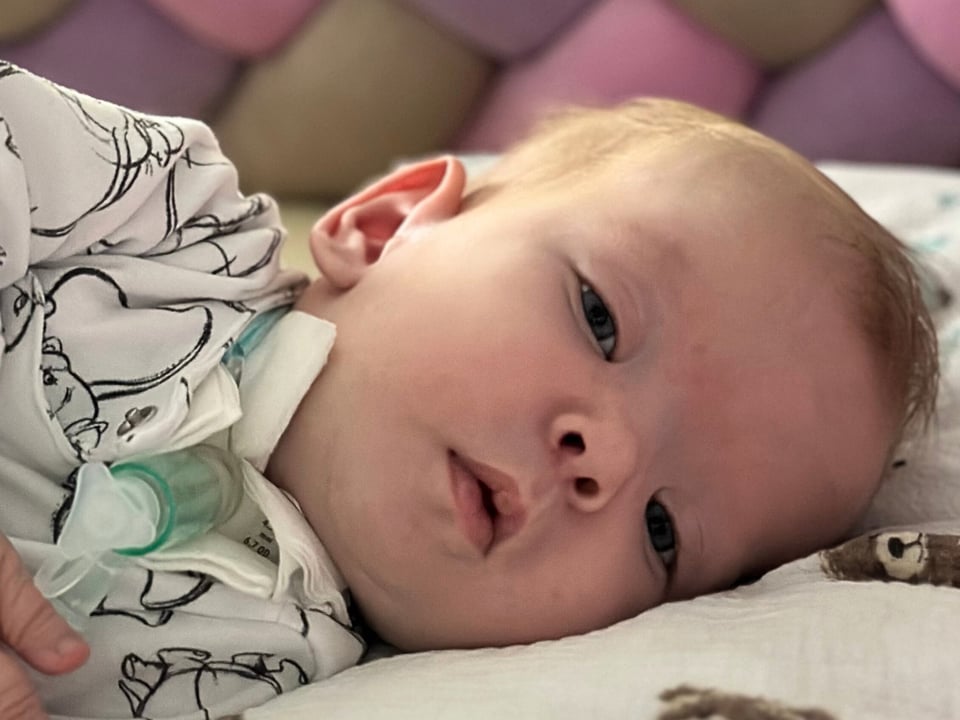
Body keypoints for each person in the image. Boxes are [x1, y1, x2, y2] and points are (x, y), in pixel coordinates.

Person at [0, 62, 937, 718]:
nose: (606, 459)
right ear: (388, 224)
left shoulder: (287, 680)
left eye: (663, 531)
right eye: (600, 318)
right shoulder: (161, 224)